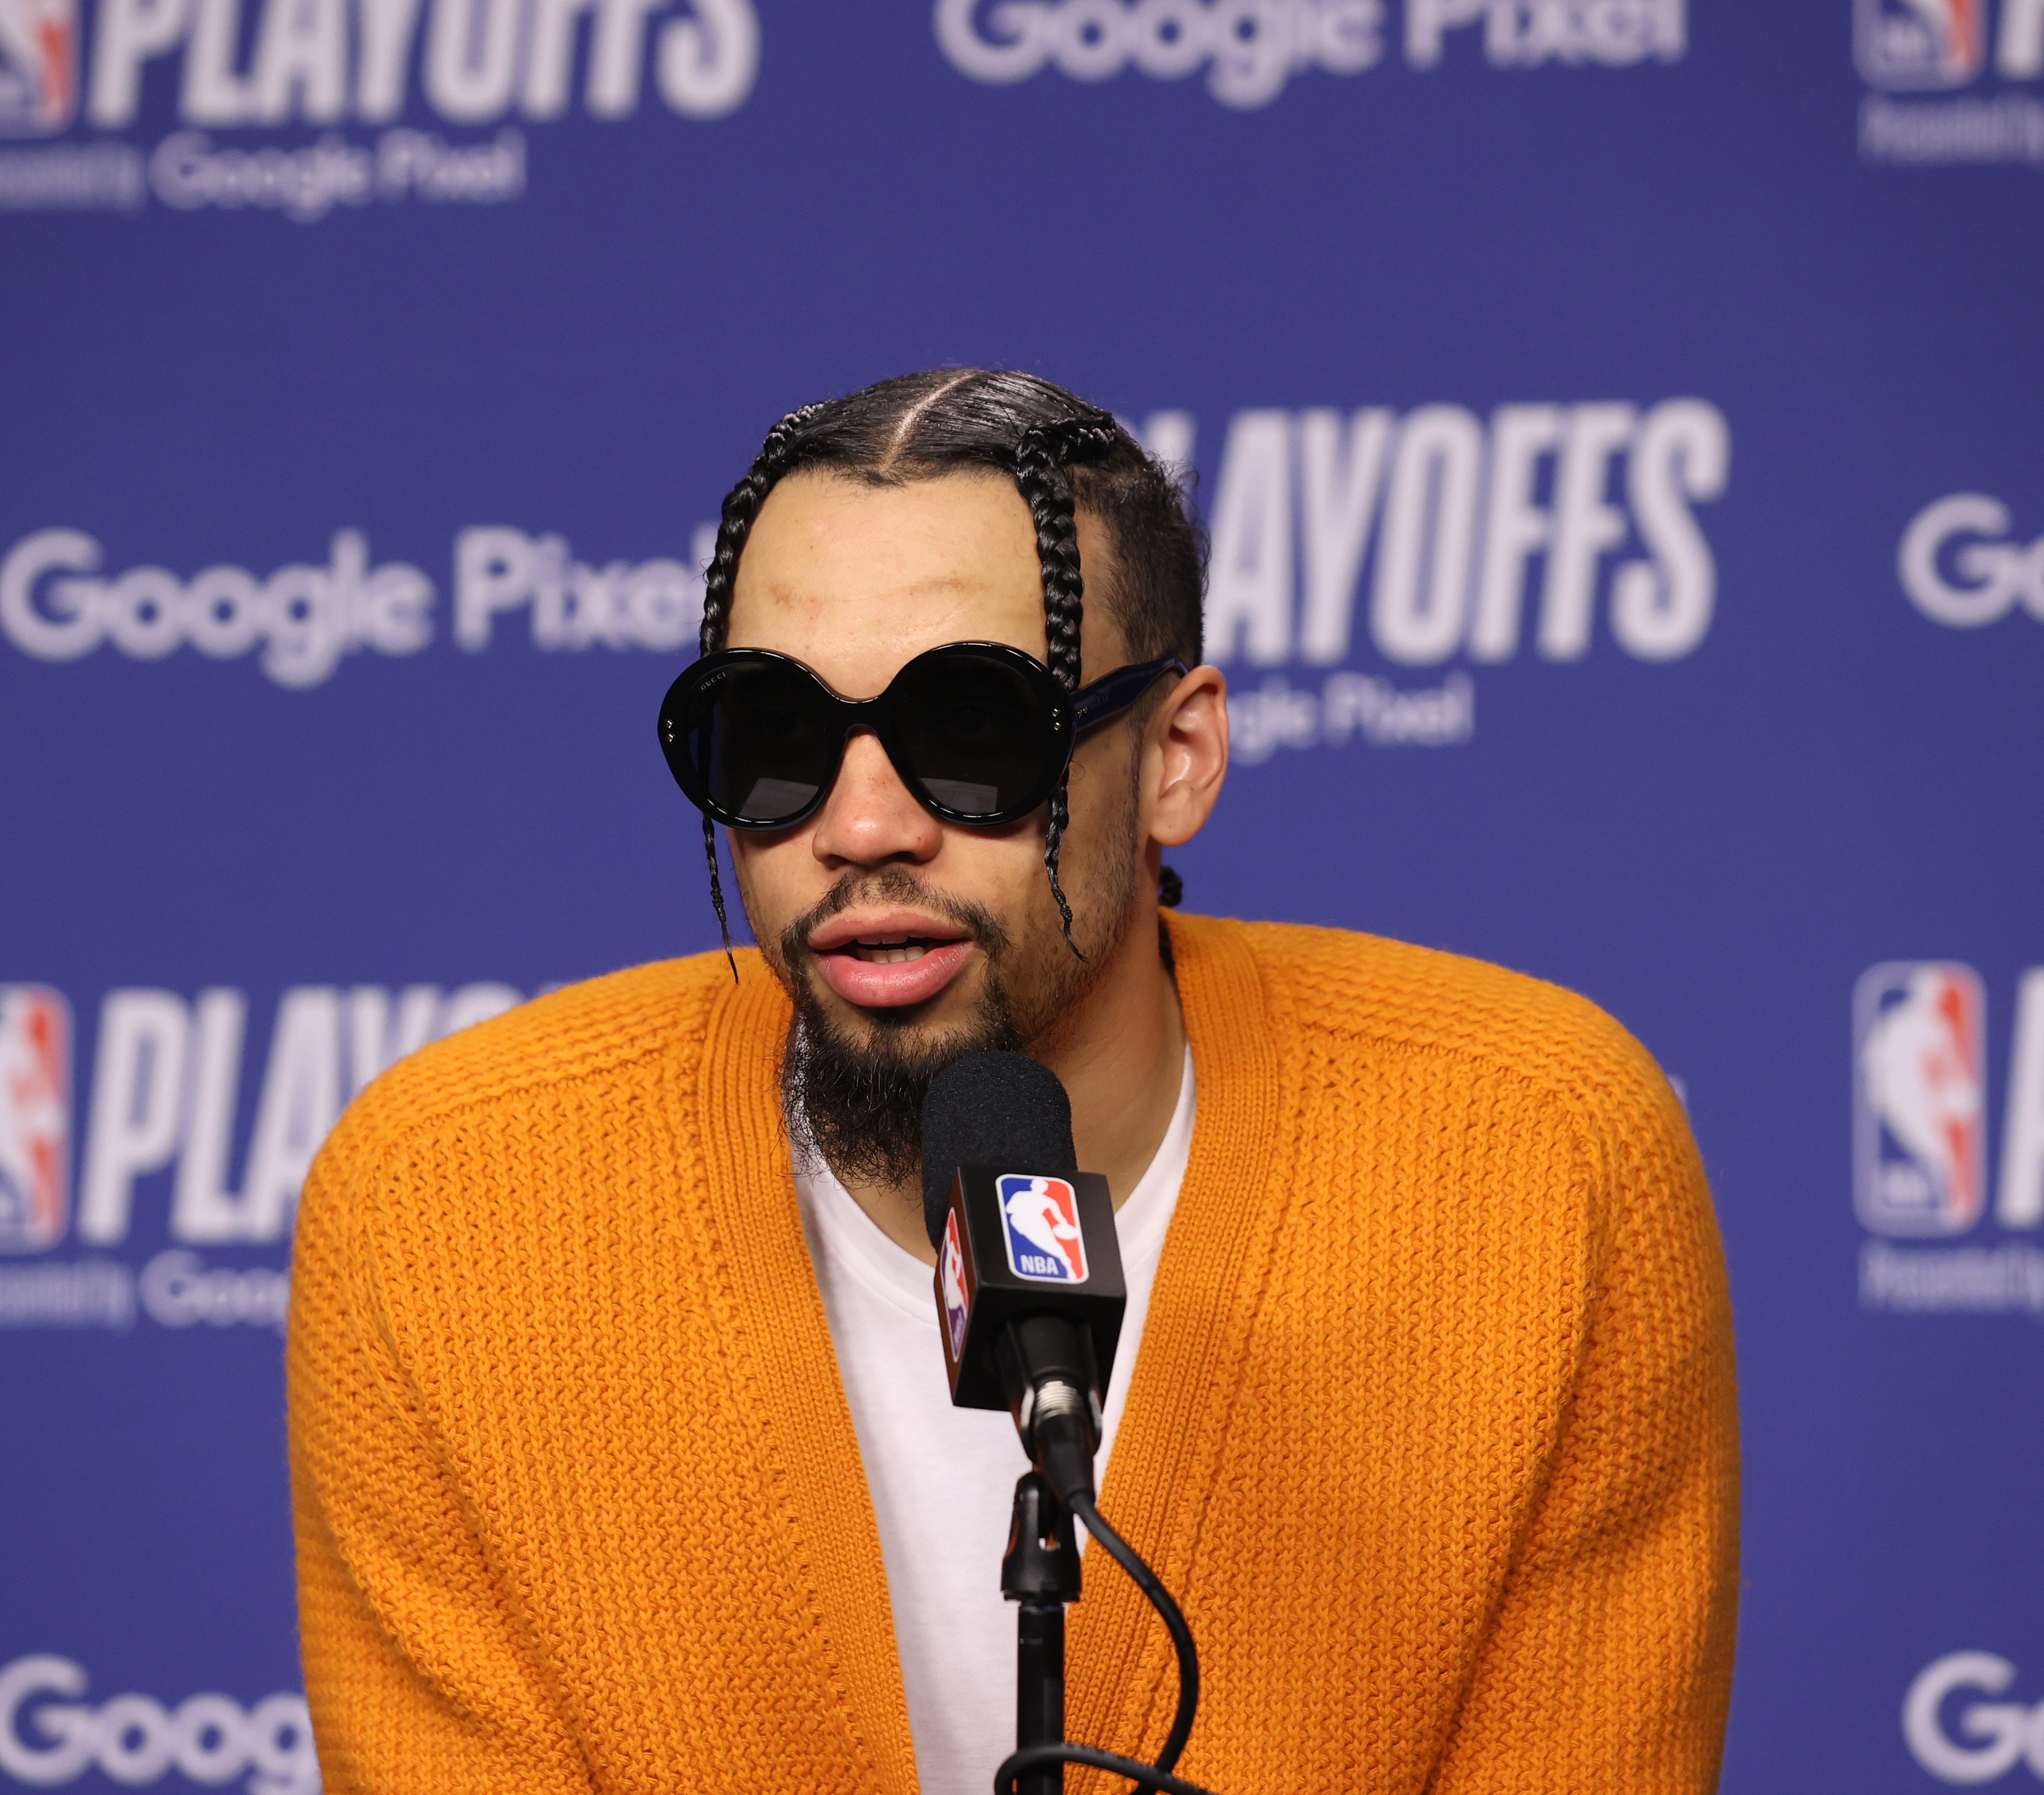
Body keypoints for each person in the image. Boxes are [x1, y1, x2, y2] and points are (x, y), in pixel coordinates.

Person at [286, 368, 1739, 1795]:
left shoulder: (1543, 1158)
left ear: (1175, 756)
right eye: (776, 739)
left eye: (971, 733)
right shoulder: (446, 1209)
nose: (862, 827)